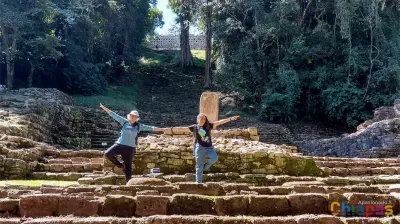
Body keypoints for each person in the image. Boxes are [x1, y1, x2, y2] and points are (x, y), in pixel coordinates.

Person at [163, 113, 240, 183]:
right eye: (201, 118)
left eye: (204, 118)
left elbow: (220, 122)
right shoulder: (194, 127)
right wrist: (170, 129)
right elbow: (182, 128)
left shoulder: (208, 125)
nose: (202, 120)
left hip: (209, 147)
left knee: (214, 158)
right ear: (197, 119)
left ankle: (203, 168)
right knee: (199, 166)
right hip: (199, 147)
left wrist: (231, 118)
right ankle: (198, 183)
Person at [99, 103, 166, 182]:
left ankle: (129, 184)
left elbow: (151, 128)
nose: (133, 117)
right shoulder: (124, 122)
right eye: (132, 115)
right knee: (108, 153)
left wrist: (162, 129)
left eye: (135, 116)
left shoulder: (139, 126)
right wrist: (104, 107)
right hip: (120, 144)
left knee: (128, 167)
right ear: (130, 116)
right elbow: (114, 115)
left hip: (130, 148)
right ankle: (120, 165)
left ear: (137, 118)